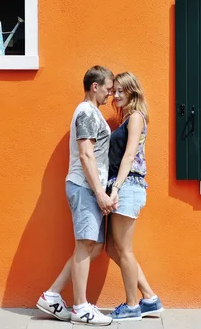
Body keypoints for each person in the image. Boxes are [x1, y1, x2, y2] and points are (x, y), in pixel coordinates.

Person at [36, 65, 117, 326]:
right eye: (108, 88)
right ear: (95, 86)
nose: (110, 94)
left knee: (91, 247)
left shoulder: (92, 113)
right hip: (84, 188)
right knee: (84, 245)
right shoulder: (86, 113)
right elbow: (86, 155)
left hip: (89, 188)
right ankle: (80, 308)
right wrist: (99, 194)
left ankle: (52, 294)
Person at [106, 72, 163, 321]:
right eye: (114, 90)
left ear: (133, 92)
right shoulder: (127, 119)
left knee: (124, 250)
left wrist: (116, 188)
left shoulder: (136, 118)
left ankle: (132, 306)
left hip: (128, 186)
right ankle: (149, 298)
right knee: (112, 248)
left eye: (121, 91)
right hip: (123, 185)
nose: (116, 95)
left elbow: (129, 156)